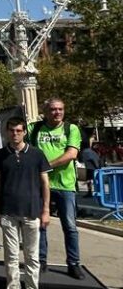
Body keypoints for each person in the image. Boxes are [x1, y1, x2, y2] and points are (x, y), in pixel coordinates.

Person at [0, 117, 51, 289]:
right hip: (9, 211)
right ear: (7, 132)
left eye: (19, 130)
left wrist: (46, 210)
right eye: (11, 130)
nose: (15, 134)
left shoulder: (36, 154)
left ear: (24, 132)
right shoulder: (0, 155)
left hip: (32, 211)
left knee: (32, 256)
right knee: (11, 255)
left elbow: (45, 183)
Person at [29, 97, 85, 279]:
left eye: (60, 109)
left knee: (70, 226)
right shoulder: (35, 128)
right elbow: (19, 140)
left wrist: (46, 166)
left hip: (65, 184)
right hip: (39, 185)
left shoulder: (71, 129)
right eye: (53, 109)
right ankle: (41, 260)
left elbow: (71, 154)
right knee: (40, 225)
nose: (57, 112)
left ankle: (74, 263)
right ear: (45, 111)